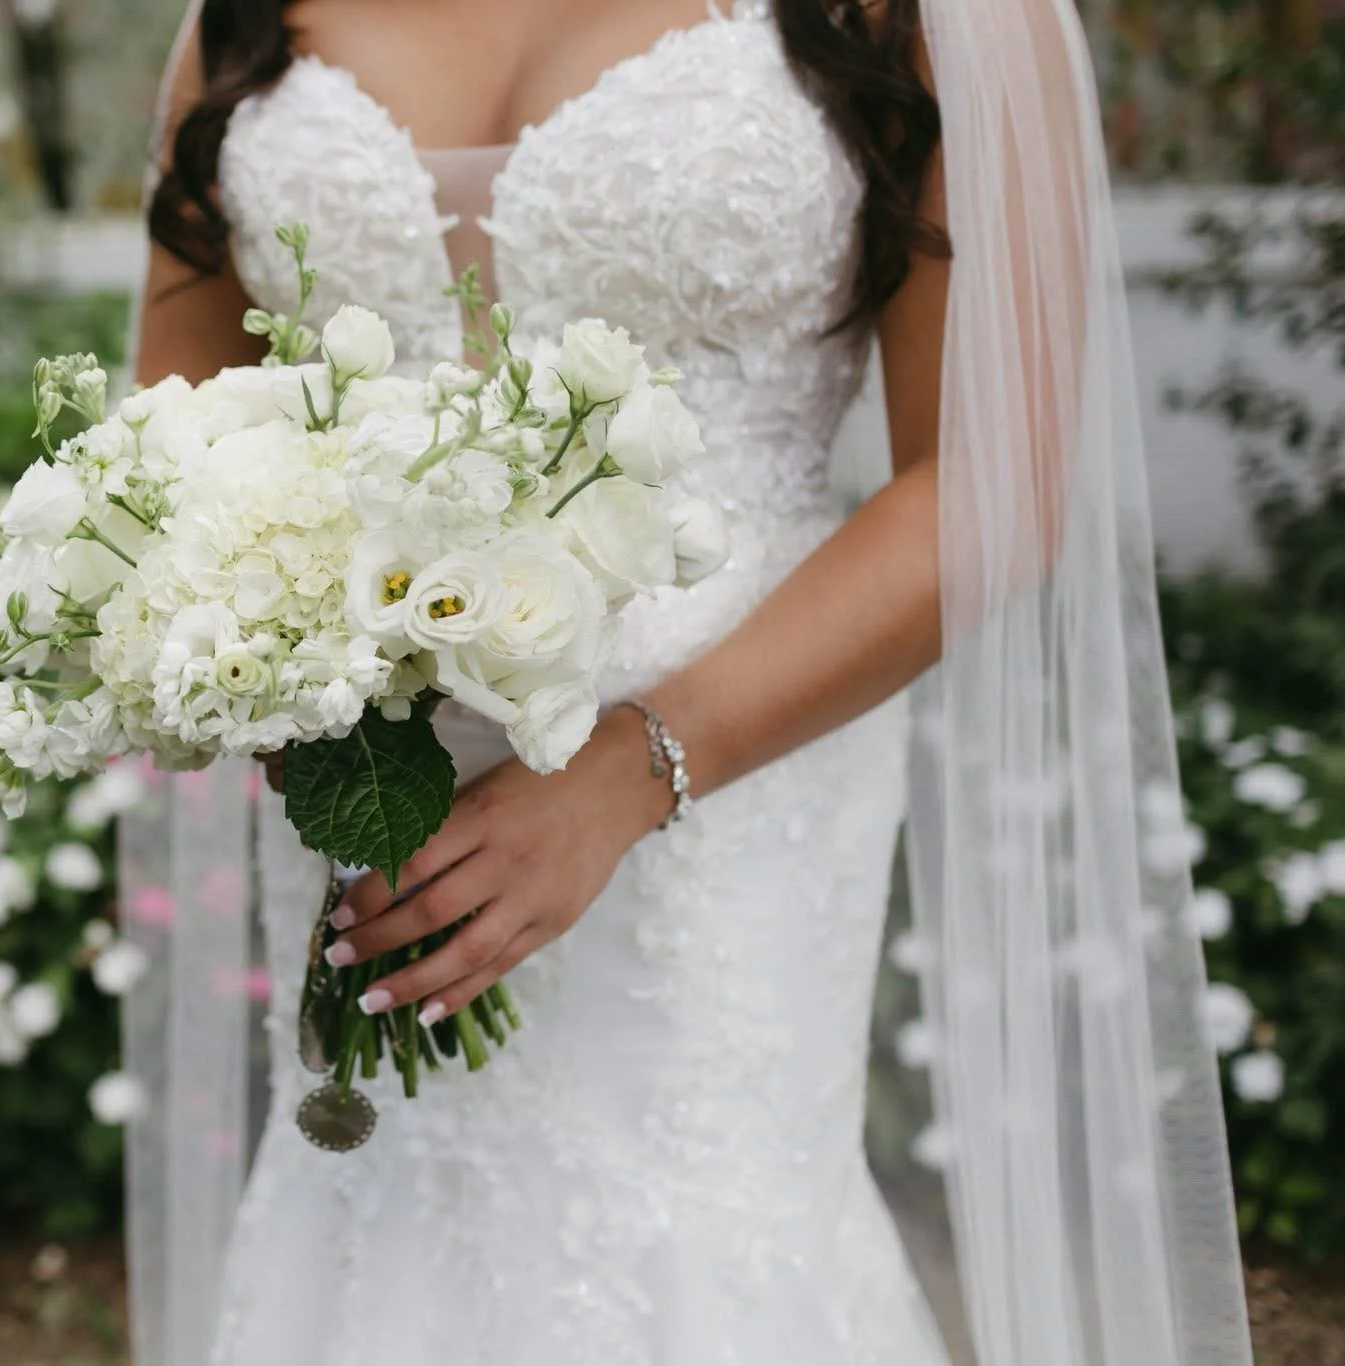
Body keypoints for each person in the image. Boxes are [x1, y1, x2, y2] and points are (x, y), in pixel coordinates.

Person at [120, 2, 1255, 1363]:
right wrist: (306, 726)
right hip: (369, 819)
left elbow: (986, 481)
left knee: (700, 1255)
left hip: (729, 805)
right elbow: (166, 456)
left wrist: (635, 766)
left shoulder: (915, 16)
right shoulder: (239, 21)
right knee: (377, 1226)